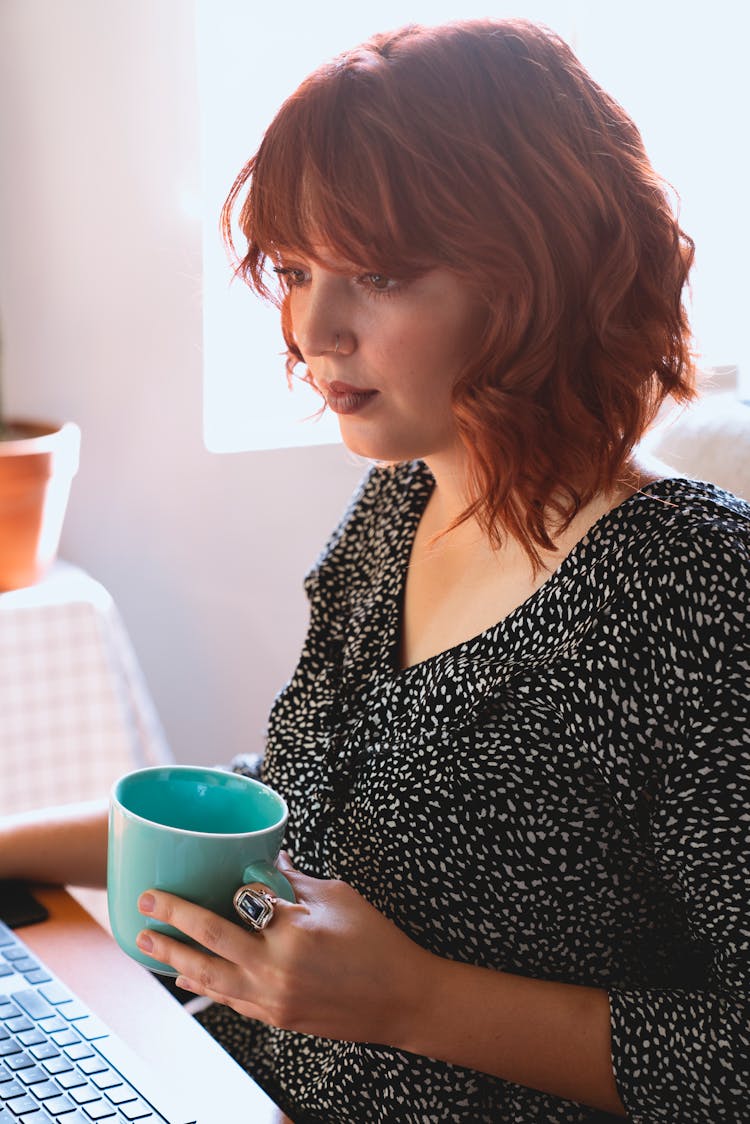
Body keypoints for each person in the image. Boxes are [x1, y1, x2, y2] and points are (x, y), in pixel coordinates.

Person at [2, 17, 748, 1124]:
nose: (314, 326)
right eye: (298, 269)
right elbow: (311, 795)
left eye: (381, 274)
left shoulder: (691, 586)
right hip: (221, 1078)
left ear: (541, 271)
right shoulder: (406, 493)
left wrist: (417, 1002)